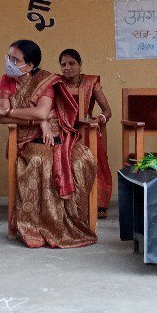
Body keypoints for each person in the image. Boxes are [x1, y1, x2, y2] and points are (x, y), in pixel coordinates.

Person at [0, 40, 96, 248]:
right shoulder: (7, 80)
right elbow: (3, 119)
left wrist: (28, 115)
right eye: (9, 57)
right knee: (41, 161)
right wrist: (37, 121)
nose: (9, 63)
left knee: (81, 160)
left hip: (56, 134)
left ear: (30, 65)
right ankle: (36, 227)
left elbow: (39, 111)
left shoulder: (45, 80)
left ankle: (69, 223)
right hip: (25, 139)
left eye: (15, 60)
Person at [58, 49, 113, 219]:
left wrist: (100, 119)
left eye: (72, 63)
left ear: (80, 65)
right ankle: (66, 203)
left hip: (86, 128)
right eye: (63, 65)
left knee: (94, 150)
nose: (67, 68)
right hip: (63, 128)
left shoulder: (91, 82)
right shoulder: (56, 83)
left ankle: (98, 203)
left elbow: (107, 110)